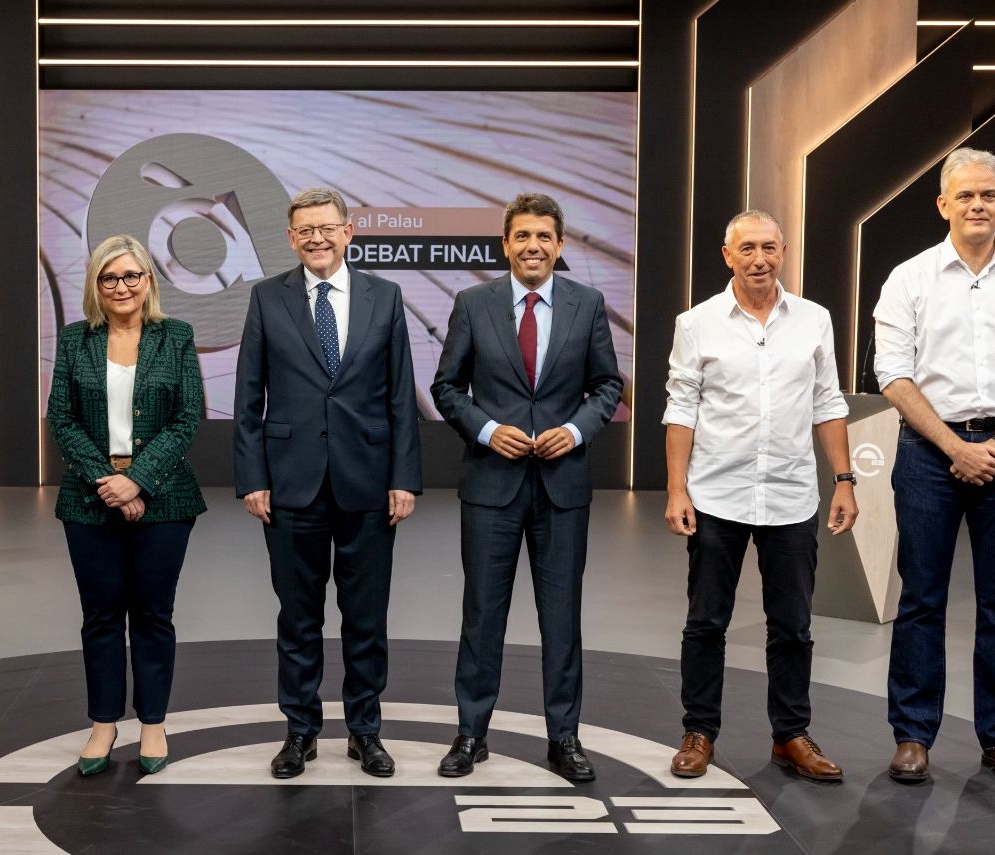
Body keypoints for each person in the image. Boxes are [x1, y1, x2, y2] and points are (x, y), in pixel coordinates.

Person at [874, 147, 995, 788]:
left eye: (988, 195)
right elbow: (892, 374)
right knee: (922, 599)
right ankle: (912, 736)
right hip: (929, 454)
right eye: (965, 196)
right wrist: (956, 447)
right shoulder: (909, 278)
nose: (977, 205)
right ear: (942, 206)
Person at [431, 192, 623, 782]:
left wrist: (574, 430)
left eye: (544, 236)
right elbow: (446, 388)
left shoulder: (588, 304)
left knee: (561, 617)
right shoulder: (473, 303)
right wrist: (488, 431)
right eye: (522, 236)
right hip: (492, 484)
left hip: (563, 487)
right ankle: (471, 734)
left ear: (559, 246)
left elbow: (608, 386)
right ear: (505, 244)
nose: (533, 246)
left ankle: (563, 737)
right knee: (482, 615)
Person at [663, 210, 858, 784]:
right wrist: (677, 490)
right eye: (747, 249)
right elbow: (681, 409)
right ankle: (699, 733)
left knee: (793, 626)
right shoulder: (696, 323)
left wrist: (844, 479)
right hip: (717, 494)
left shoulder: (815, 320)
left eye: (769, 248)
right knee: (706, 622)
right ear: (727, 255)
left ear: (783, 252)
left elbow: (828, 403)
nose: (759, 259)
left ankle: (790, 736)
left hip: (792, 496)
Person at [233, 187, 422, 779]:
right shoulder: (267, 299)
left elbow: (400, 397)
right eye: (304, 230)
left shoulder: (385, 298)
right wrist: (252, 479)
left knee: (366, 617)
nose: (316, 238)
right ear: (291, 238)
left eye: (327, 228)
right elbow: (247, 400)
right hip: (290, 486)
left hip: (368, 484)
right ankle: (300, 732)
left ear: (348, 232)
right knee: (298, 616)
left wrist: (404, 478)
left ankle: (365, 731)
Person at [47, 234, 205, 776]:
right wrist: (105, 481)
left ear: (149, 282)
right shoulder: (74, 340)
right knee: (101, 616)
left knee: (154, 615)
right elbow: (61, 418)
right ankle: (103, 724)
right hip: (89, 500)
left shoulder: (176, 337)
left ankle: (154, 723)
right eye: (109, 277)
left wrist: (137, 480)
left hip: (165, 497)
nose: (121, 287)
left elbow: (187, 418)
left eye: (131, 276)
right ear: (96, 284)